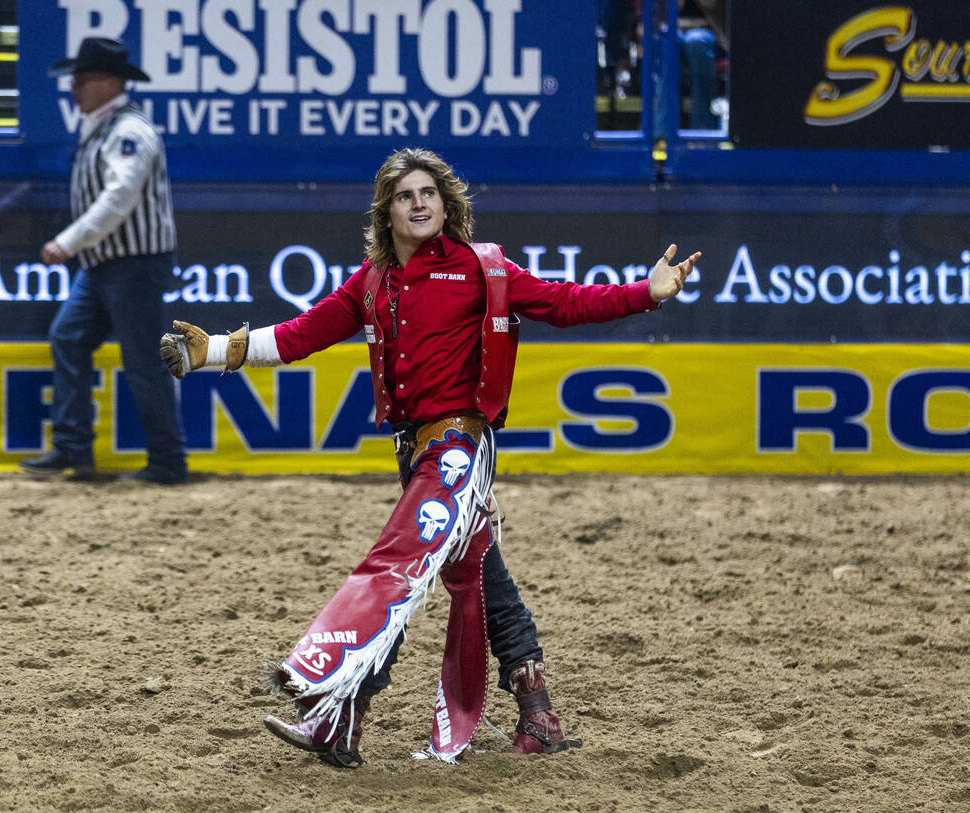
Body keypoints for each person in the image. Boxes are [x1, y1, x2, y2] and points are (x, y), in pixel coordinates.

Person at [159, 148, 700, 765]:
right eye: (405, 195)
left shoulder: (481, 268)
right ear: (386, 212)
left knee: (396, 571)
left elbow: (567, 303)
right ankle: (537, 714)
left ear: (447, 205)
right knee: (481, 577)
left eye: (429, 194)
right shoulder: (371, 284)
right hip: (418, 455)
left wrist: (648, 294)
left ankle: (337, 706)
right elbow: (299, 335)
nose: (419, 203)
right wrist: (213, 353)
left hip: (458, 453)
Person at [19, 37, 186, 485]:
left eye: (82, 79)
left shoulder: (129, 131)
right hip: (104, 265)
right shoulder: (102, 126)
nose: (73, 88)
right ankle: (73, 447)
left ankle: (168, 462)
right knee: (68, 337)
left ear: (110, 82)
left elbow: (120, 199)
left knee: (145, 361)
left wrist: (68, 241)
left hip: (134, 264)